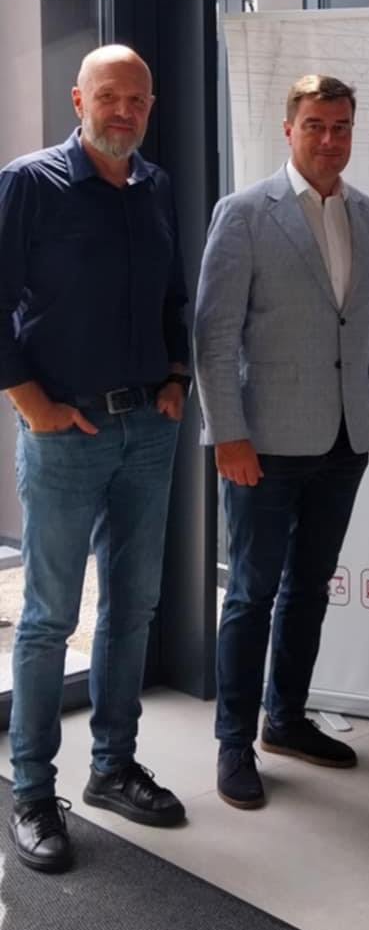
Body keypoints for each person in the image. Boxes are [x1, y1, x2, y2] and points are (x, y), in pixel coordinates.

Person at [194, 73, 369, 810]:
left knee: (309, 588)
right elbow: (214, 337)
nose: (329, 139)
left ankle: (284, 720)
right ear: (288, 130)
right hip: (262, 444)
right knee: (250, 592)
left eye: (341, 126)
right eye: (315, 125)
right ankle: (233, 742)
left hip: (346, 438)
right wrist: (228, 434)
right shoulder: (244, 213)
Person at [0, 45, 191, 873]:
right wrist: (31, 404)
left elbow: (173, 293)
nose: (124, 112)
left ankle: (113, 767)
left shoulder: (156, 185)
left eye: (137, 100)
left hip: (149, 428)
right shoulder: (29, 183)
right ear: (79, 100)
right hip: (64, 433)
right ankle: (32, 793)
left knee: (133, 606)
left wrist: (177, 375)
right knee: (48, 617)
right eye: (109, 96)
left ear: (150, 106)